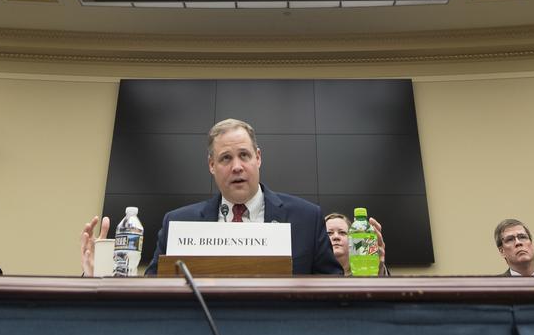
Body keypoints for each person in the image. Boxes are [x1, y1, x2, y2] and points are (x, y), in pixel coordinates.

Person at [81, 118, 341, 276]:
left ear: (258, 158)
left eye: (244, 155)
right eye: (226, 158)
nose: (237, 166)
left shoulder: (306, 217)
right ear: (211, 165)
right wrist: (103, 275)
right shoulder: (178, 223)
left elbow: (336, 292)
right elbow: (154, 293)